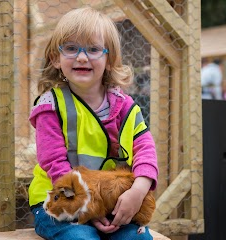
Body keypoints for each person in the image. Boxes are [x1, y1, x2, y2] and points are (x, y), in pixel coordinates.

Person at [28, 7, 158, 240]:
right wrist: (87, 208)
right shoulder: (51, 107)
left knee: (137, 238)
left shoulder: (126, 107)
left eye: (93, 49)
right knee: (80, 238)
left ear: (110, 60)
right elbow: (55, 164)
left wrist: (138, 192)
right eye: (70, 48)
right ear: (55, 59)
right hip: (63, 203)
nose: (81, 57)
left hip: (112, 203)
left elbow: (146, 151)